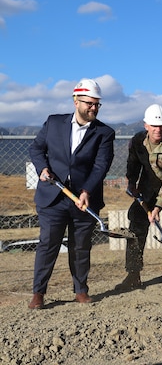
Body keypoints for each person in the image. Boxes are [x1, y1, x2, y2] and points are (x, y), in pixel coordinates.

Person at [28, 78, 115, 309]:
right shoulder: (54, 123)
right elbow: (36, 149)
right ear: (76, 101)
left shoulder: (104, 133)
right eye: (89, 103)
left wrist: (87, 190)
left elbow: (101, 166)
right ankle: (38, 293)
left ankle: (80, 290)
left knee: (80, 246)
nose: (94, 108)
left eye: (97, 104)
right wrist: (42, 168)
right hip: (53, 197)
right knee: (48, 244)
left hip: (84, 200)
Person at [116, 104, 162, 292]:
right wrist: (131, 182)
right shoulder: (137, 141)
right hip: (148, 187)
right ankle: (133, 275)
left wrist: (156, 208)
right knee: (136, 228)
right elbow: (132, 165)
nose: (158, 129)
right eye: (154, 126)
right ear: (146, 125)